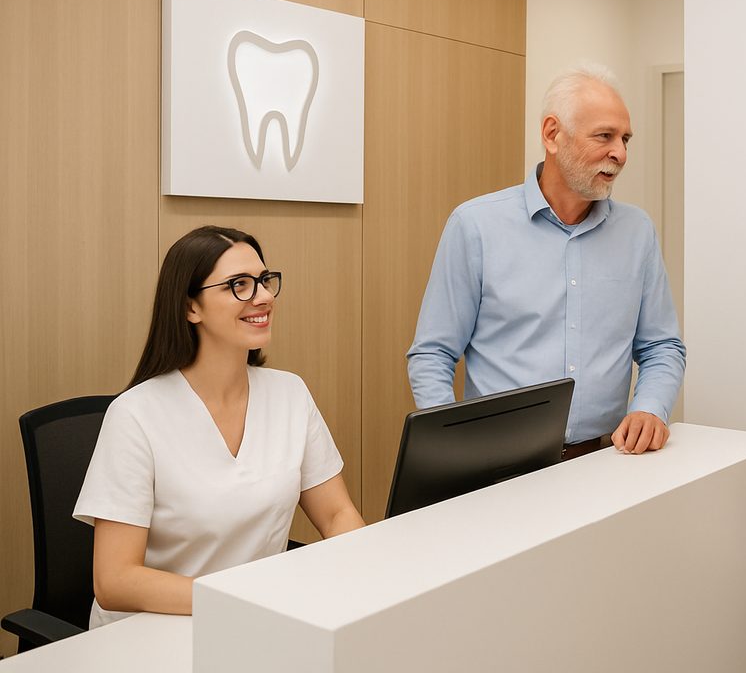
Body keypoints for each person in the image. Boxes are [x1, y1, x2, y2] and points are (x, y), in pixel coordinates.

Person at [74, 226, 365, 628]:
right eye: (238, 286)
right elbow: (115, 581)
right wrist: (245, 600)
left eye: (264, 281)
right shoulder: (136, 415)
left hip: (256, 623)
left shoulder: (289, 394)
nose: (262, 296)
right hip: (151, 633)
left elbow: (336, 515)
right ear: (191, 307)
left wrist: (368, 575)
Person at [407, 63, 685, 458]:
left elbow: (662, 346)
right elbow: (432, 354)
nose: (620, 153)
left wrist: (649, 409)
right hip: (498, 468)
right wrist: (455, 447)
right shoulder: (475, 226)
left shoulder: (637, 232)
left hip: (605, 460)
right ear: (552, 134)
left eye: (625, 138)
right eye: (604, 136)